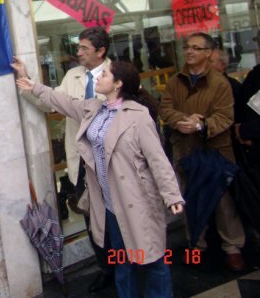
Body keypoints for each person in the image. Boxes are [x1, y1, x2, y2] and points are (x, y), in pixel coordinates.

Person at [17, 60, 184, 298]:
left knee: (153, 260)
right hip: (109, 205)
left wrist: (172, 196)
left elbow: (157, 160)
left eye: (104, 74)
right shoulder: (94, 108)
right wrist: (33, 86)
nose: (97, 77)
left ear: (118, 84)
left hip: (138, 201)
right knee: (122, 262)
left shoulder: (138, 116)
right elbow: (62, 101)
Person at [11, 26, 113, 293]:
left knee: (116, 219)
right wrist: (26, 80)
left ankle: (126, 267)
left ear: (101, 51)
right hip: (81, 165)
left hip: (110, 164)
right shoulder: (72, 76)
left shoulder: (116, 74)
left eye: (84, 48)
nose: (78, 52)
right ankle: (106, 269)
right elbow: (50, 103)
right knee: (91, 220)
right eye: (78, 47)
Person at [160, 32, 246, 271]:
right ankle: (196, 245)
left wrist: (201, 125)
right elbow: (165, 108)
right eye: (187, 47)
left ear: (208, 53)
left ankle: (233, 248)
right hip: (186, 151)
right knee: (190, 200)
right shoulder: (174, 82)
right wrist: (182, 121)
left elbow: (225, 116)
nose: (189, 51)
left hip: (215, 151)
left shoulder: (220, 83)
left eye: (196, 48)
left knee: (223, 202)